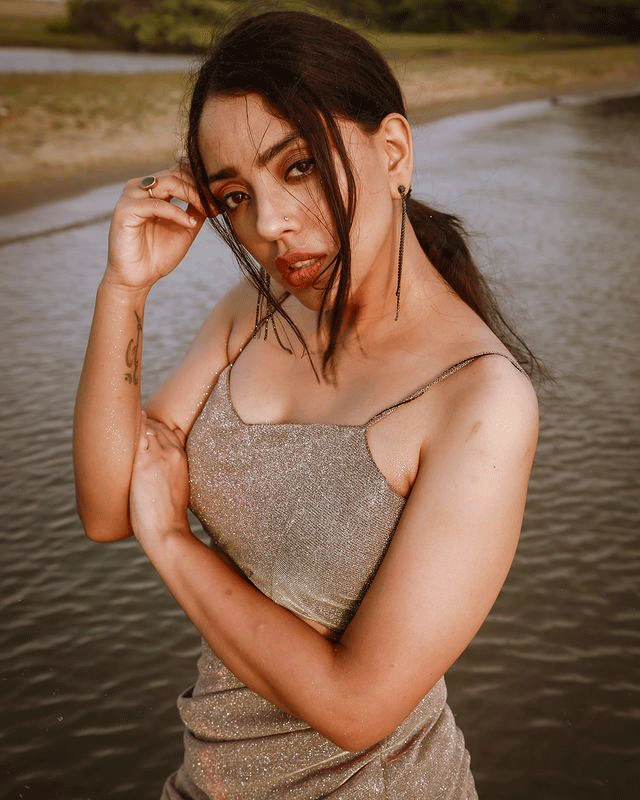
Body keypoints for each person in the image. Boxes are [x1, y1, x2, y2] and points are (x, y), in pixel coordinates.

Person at [73, 10, 539, 799]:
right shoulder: (256, 311)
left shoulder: (481, 401)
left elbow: (358, 707)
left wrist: (174, 542)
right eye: (234, 195)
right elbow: (108, 507)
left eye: (299, 167)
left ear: (393, 153)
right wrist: (125, 289)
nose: (269, 225)